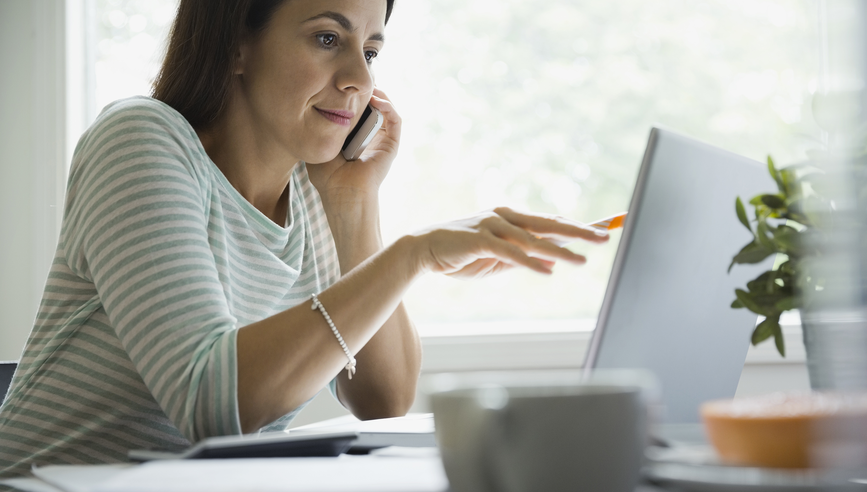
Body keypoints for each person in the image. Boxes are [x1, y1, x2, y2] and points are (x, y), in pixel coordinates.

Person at [0, 0, 608, 478]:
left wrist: (354, 204)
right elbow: (214, 404)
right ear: (237, 42)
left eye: (371, 50)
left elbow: (384, 397)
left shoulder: (315, 190)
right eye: (327, 39)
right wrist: (413, 252)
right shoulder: (140, 141)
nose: (358, 78)